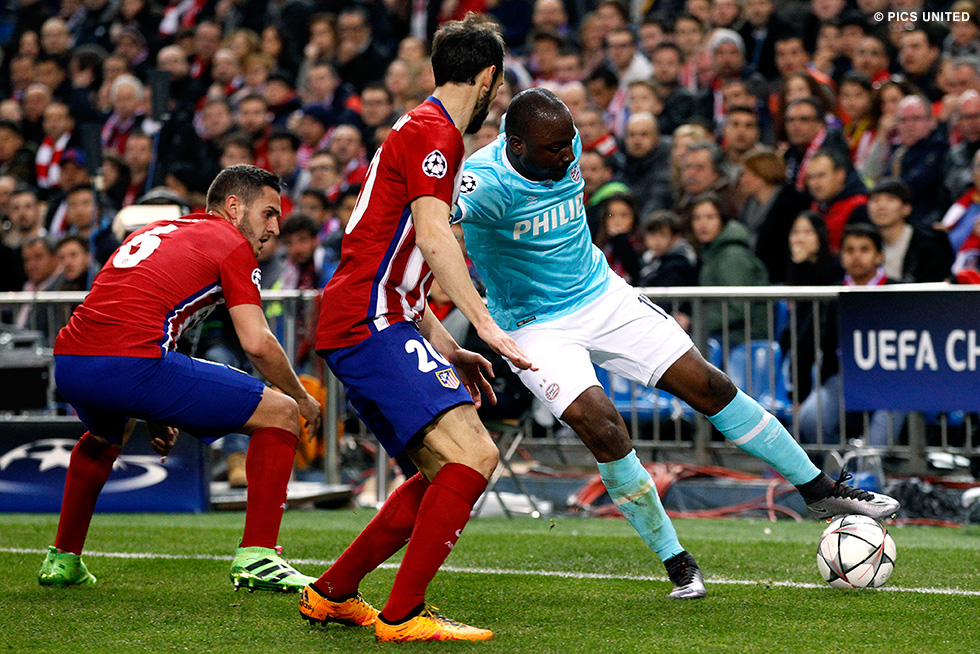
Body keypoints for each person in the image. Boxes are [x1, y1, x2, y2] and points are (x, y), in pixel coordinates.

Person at [457, 88, 901, 602]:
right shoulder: (482, 184)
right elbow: (429, 228)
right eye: (554, 148)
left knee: (710, 386)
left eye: (568, 142)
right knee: (602, 425)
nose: (567, 154)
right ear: (516, 144)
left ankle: (819, 490)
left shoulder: (564, 140)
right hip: (534, 324)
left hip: (602, 295)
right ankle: (677, 561)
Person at [302, 15, 532, 643]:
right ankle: (403, 614)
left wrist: (449, 345)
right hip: (372, 320)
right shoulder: (438, 134)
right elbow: (433, 239)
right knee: (476, 454)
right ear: (487, 78)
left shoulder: (415, 126)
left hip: (367, 318)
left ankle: (332, 593)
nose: (495, 99)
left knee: (439, 473)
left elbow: (397, 264)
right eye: (498, 87)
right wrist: (485, 324)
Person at [38, 165, 323, 596]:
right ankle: (260, 556)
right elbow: (257, 342)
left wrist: (155, 412)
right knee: (281, 412)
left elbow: (137, 316)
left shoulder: (160, 230)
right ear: (233, 207)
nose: (274, 228)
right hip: (131, 364)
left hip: (73, 363)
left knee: (106, 436)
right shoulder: (230, 243)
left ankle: (63, 558)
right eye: (268, 214)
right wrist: (302, 397)